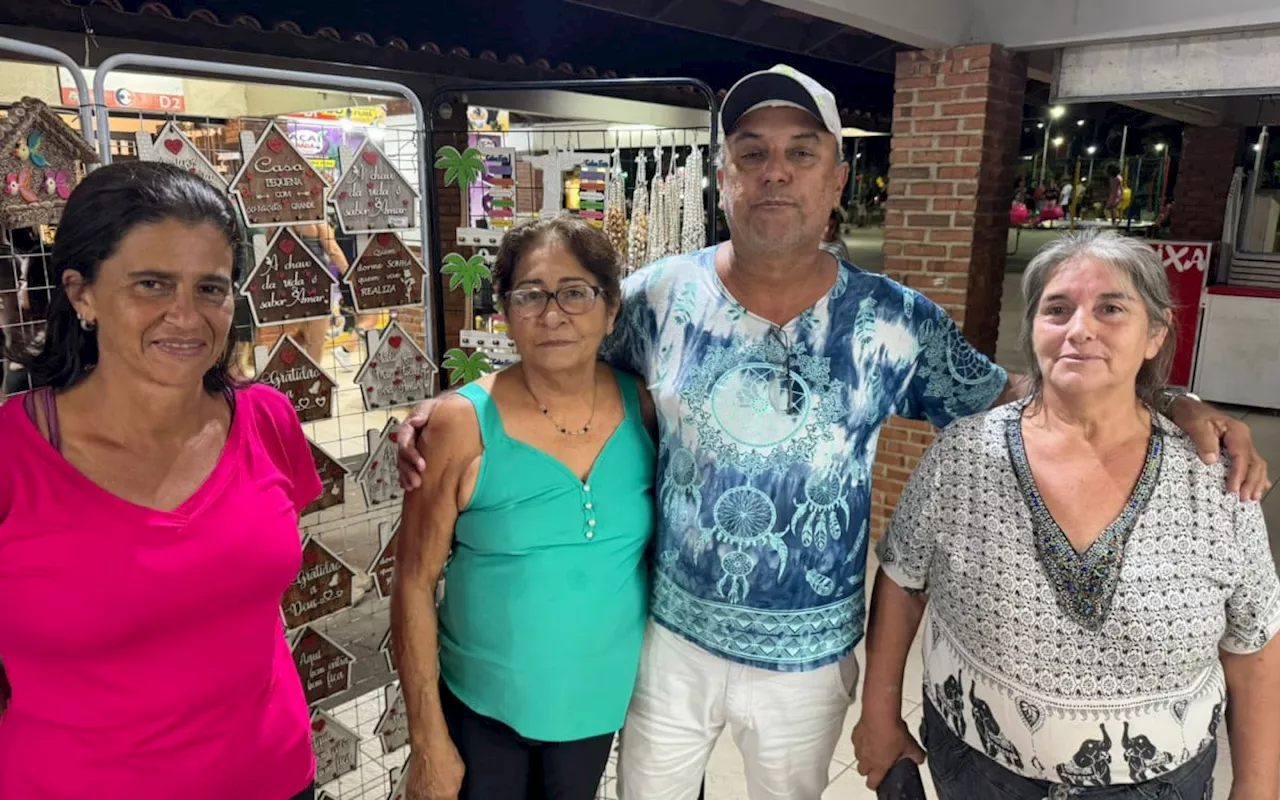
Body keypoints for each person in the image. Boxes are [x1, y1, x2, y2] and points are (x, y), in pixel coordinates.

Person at [396, 65, 1267, 800]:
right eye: (753, 153)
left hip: (808, 664)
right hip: (666, 640)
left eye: (801, 153)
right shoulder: (661, 298)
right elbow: (558, 359)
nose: (775, 172)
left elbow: (1031, 393)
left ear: (837, 179)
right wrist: (449, 412)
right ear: (723, 176)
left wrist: (1174, 401)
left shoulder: (894, 320)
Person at [854, 230, 1280, 799]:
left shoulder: (1215, 477)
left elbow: (1254, 641)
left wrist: (1258, 785)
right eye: (1057, 309)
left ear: (1155, 334)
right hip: (976, 773)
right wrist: (879, 712)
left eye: (1111, 308)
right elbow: (903, 581)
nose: (1080, 329)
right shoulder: (963, 455)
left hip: (1160, 785)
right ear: (1033, 330)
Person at [0, 161, 320, 800]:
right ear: (81, 293)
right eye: (152, 283)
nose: (186, 315)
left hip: (275, 776)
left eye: (211, 288)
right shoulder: (13, 457)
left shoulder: (265, 420)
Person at [392, 215, 657, 800]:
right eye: (530, 295)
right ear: (506, 312)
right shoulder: (461, 425)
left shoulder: (642, 408)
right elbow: (413, 580)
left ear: (611, 309)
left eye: (576, 293)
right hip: (484, 711)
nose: (552, 313)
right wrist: (428, 740)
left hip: (594, 706)